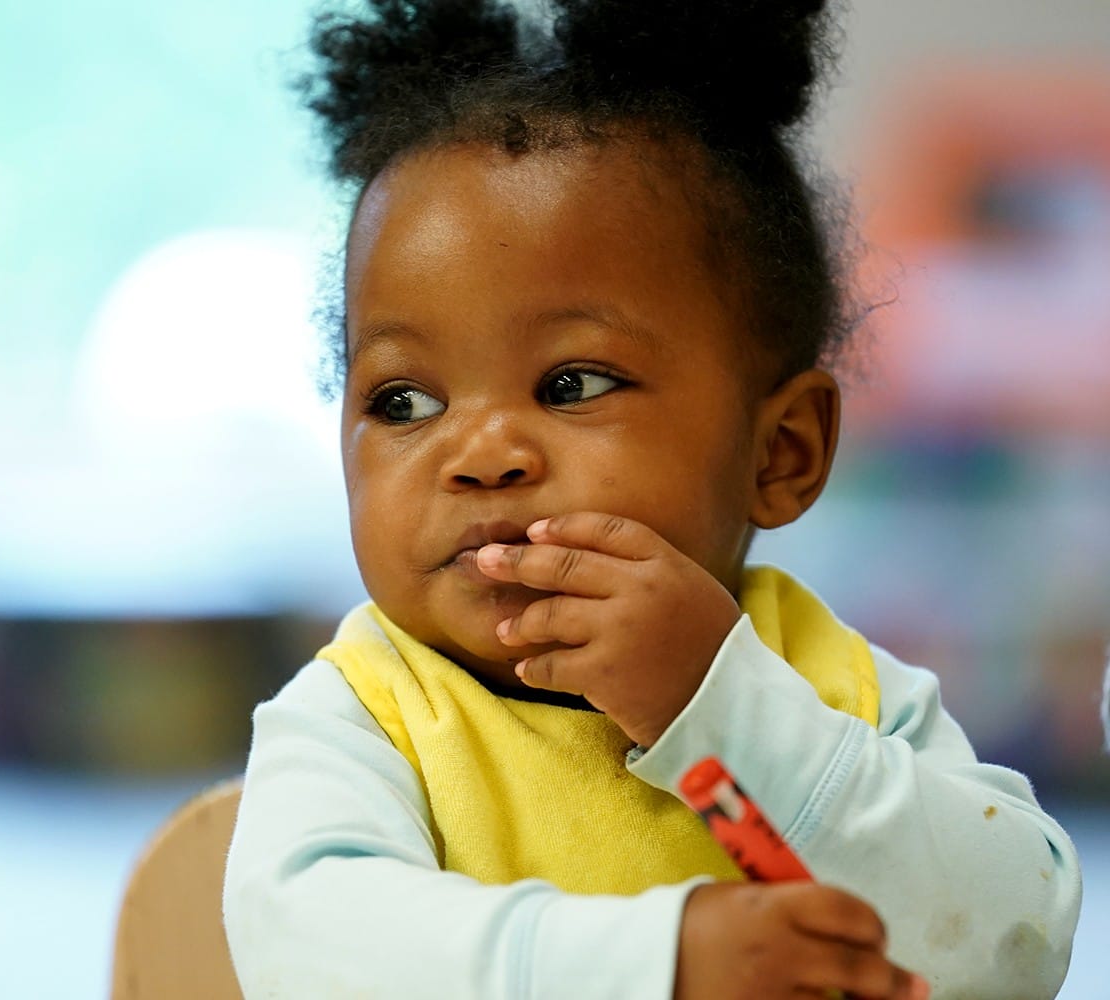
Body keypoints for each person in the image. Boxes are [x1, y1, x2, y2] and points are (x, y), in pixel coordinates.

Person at [220, 0, 1083, 996]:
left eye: (572, 384)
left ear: (781, 452)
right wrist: (658, 961)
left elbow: (1013, 942)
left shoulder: (832, 692)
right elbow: (311, 951)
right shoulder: (365, 717)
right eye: (403, 399)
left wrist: (719, 705)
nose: (480, 452)